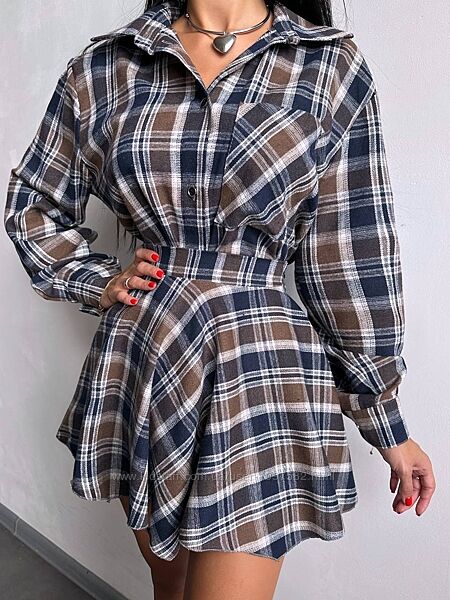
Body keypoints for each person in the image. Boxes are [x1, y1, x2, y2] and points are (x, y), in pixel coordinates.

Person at [4, 1, 435, 598]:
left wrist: (385, 419)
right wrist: (95, 279)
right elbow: (35, 202)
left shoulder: (327, 65)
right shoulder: (108, 65)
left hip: (260, 370)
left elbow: (351, 255)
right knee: (171, 589)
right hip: (149, 355)